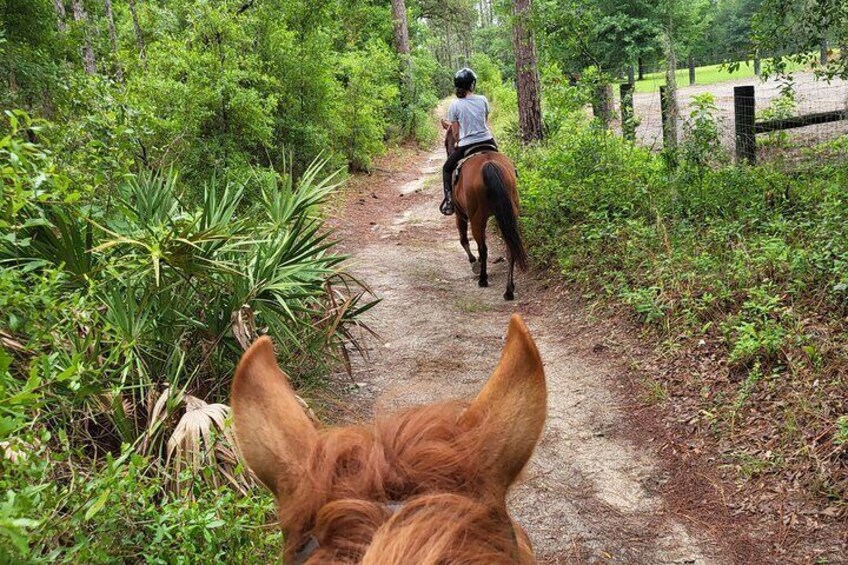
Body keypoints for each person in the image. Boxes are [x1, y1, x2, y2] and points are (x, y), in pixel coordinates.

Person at [441, 68, 497, 216]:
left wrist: (459, 142)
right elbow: (484, 121)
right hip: (488, 140)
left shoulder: (454, 105)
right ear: (472, 85)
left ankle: (449, 201)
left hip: (467, 144)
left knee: (446, 169)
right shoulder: (483, 99)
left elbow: (456, 131)